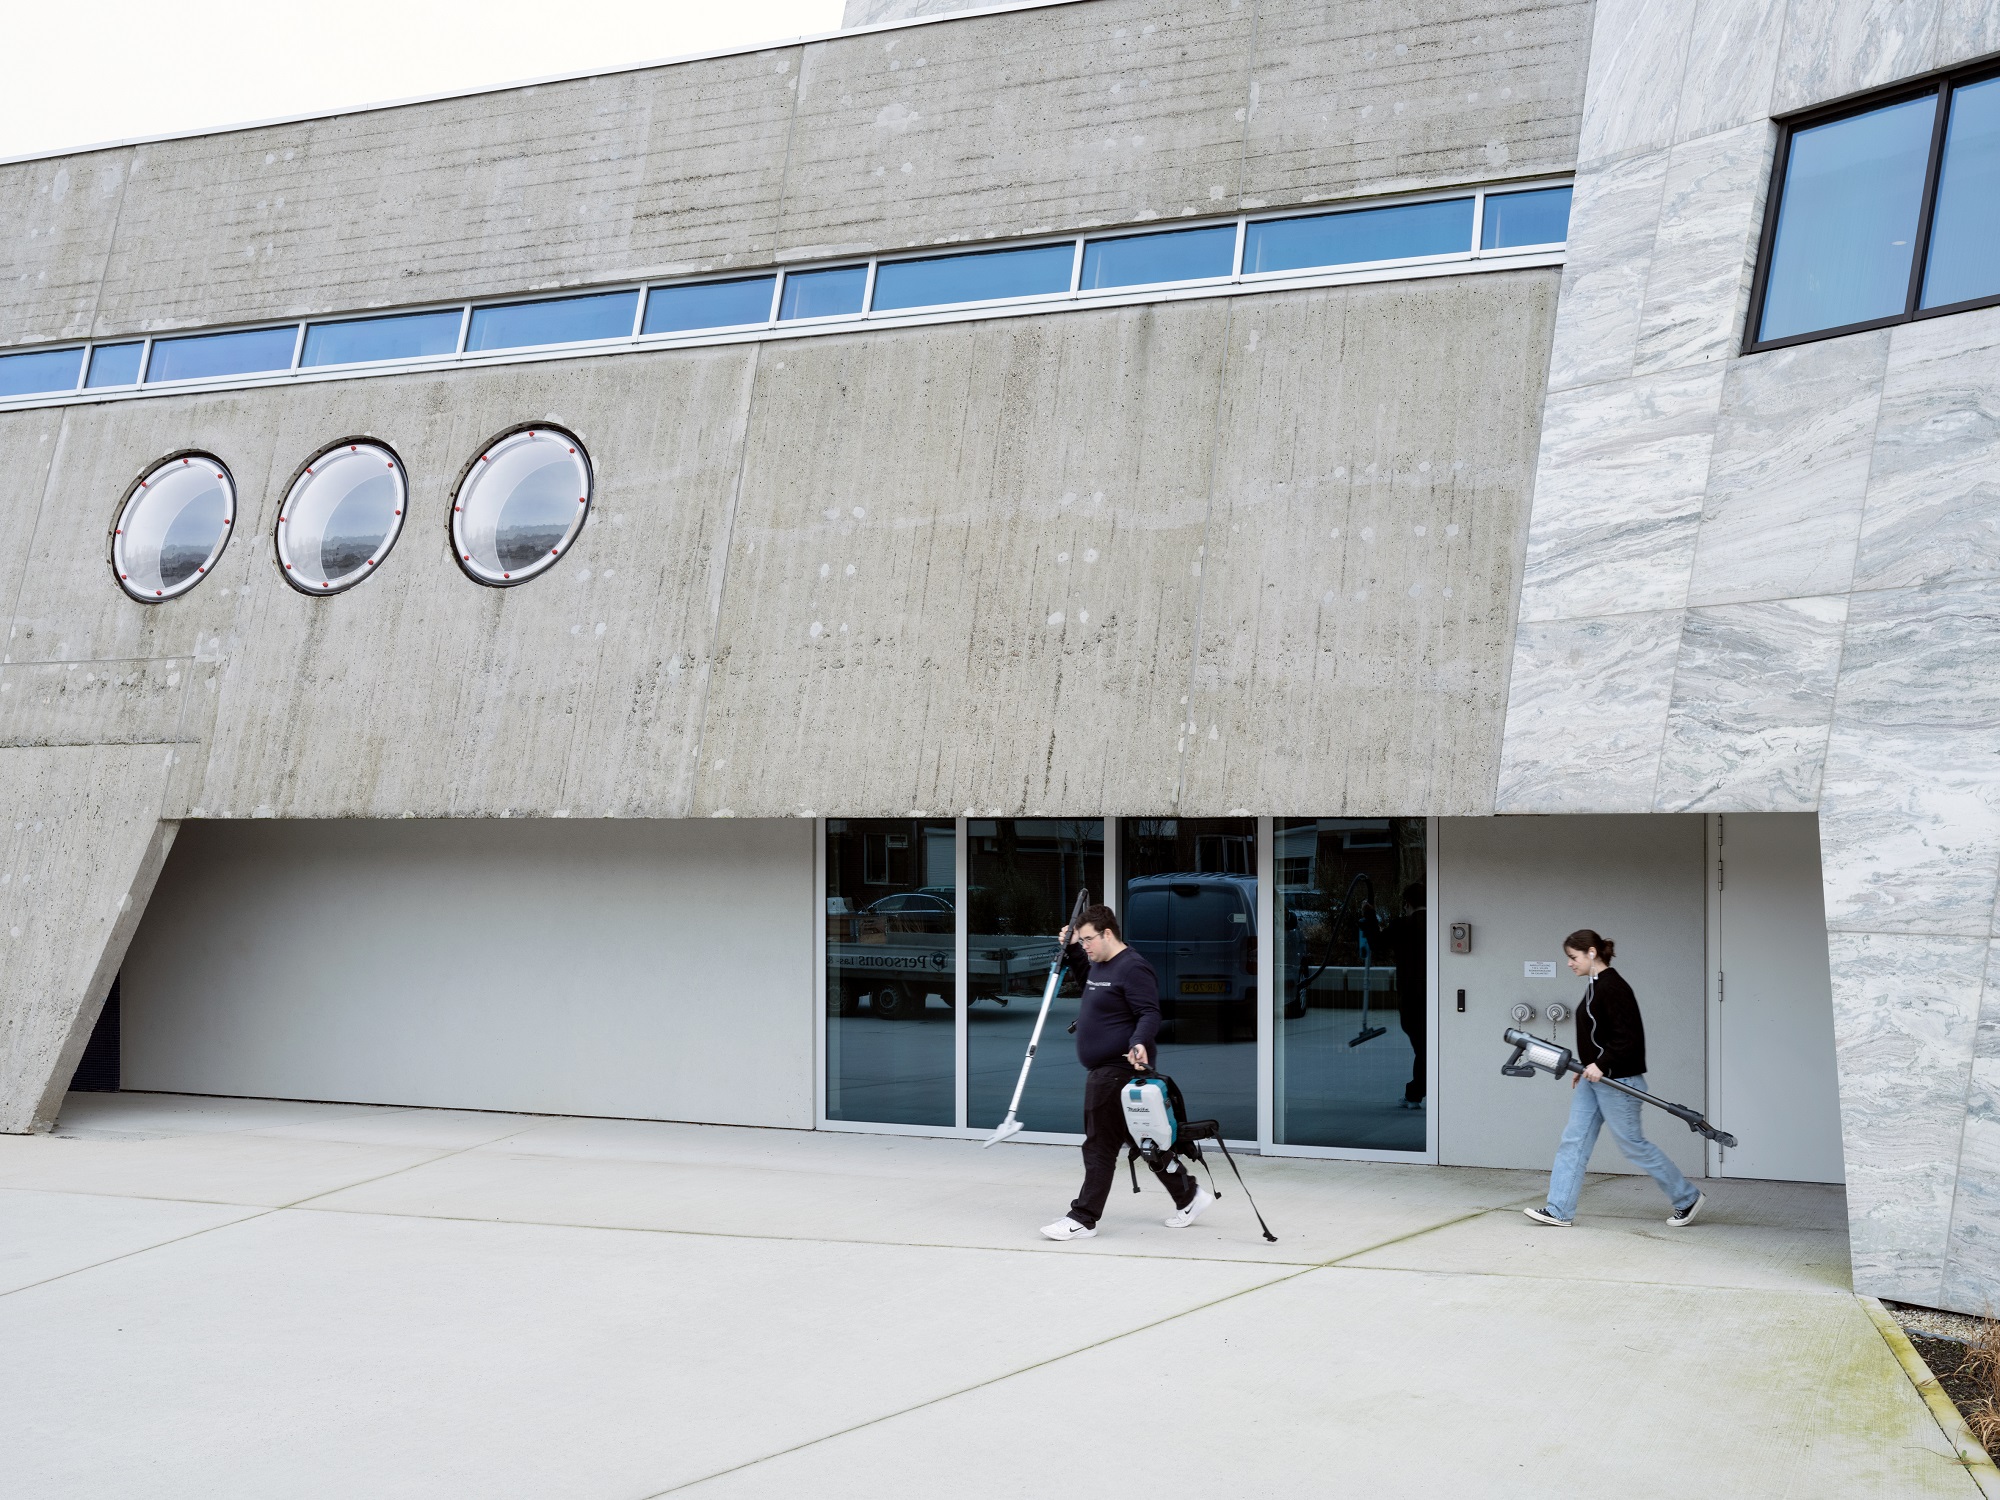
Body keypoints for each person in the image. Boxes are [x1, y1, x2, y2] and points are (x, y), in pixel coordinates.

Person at [1039, 904, 1210, 1241]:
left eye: (1088, 939)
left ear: (1107, 934)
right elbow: (1089, 983)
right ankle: (1189, 1195)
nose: (1086, 945)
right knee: (1144, 1140)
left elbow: (1149, 1012)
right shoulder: (1100, 964)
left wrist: (1139, 1042)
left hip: (1119, 1067)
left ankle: (1084, 1217)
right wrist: (1073, 949)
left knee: (1099, 1144)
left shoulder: (1133, 968)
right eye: (1082, 940)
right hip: (1105, 1067)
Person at [1523, 929, 1705, 1229]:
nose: (1569, 963)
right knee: (1573, 1141)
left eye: (1573, 957)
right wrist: (1586, 1070)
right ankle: (1559, 1210)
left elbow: (1628, 1038)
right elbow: (1597, 1037)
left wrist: (1602, 1065)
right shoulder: (1595, 985)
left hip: (1619, 1081)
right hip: (1594, 1080)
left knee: (1633, 1145)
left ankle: (1687, 1198)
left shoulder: (1614, 987)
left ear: (1592, 953)